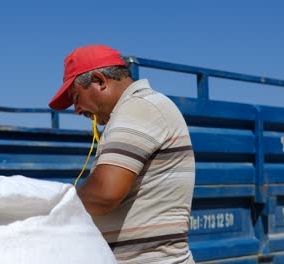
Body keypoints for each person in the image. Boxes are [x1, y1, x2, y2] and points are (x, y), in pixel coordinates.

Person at [48, 44, 195, 264]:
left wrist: (52, 208)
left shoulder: (138, 108)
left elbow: (104, 193)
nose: (77, 110)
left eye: (76, 97)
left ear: (99, 80)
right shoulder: (136, 111)